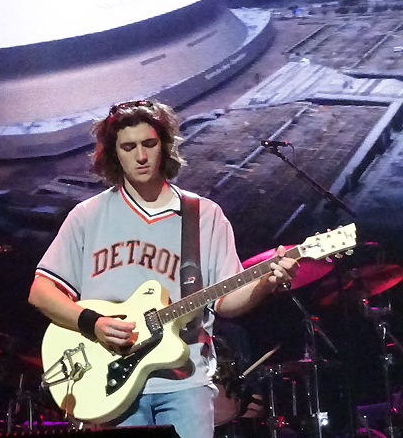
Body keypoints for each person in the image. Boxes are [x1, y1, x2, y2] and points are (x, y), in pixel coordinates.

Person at [28, 99, 298, 438]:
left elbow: (225, 302)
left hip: (187, 382)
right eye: (128, 147)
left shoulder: (204, 215)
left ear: (165, 146)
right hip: (107, 385)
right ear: (114, 153)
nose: (141, 156)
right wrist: (93, 323)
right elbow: (41, 292)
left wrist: (265, 283)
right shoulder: (87, 216)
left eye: (149, 144)